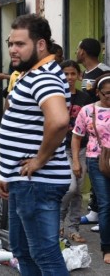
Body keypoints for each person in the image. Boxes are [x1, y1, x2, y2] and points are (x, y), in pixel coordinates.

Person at [0, 14, 71, 275]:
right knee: (23, 250)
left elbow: (60, 120)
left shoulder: (44, 77)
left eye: (20, 44)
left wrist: (39, 160)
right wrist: (7, 173)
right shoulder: (32, 73)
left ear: (40, 45)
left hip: (38, 183)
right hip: (23, 182)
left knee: (44, 253)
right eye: (11, 43)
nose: (13, 50)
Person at [71, 72, 110, 264]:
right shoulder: (87, 111)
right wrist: (77, 163)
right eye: (106, 93)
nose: (109, 96)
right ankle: (107, 248)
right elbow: (76, 137)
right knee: (105, 204)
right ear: (98, 93)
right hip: (97, 160)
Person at [75, 38, 110, 227]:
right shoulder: (86, 74)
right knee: (96, 174)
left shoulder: (103, 71)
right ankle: (95, 211)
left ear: (85, 51)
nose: (76, 52)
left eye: (78, 49)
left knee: (103, 171)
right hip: (91, 126)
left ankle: (101, 213)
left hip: (104, 130)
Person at [59, 60, 91, 243]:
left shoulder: (84, 98)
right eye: (66, 74)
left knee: (78, 190)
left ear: (79, 76)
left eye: (73, 74)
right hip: (63, 148)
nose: (69, 78)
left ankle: (73, 228)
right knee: (69, 188)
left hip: (82, 148)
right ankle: (57, 221)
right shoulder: (58, 97)